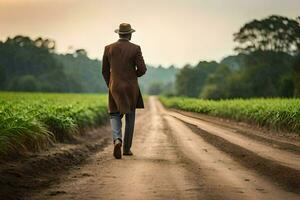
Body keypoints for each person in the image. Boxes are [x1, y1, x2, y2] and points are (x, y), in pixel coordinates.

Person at [102, 23, 147, 159]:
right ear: (130, 34)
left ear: (119, 34)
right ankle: (126, 149)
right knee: (130, 116)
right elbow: (143, 69)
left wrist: (110, 84)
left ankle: (117, 140)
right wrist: (133, 76)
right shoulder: (135, 48)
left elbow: (104, 71)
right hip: (130, 87)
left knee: (114, 114)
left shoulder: (108, 48)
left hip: (114, 86)